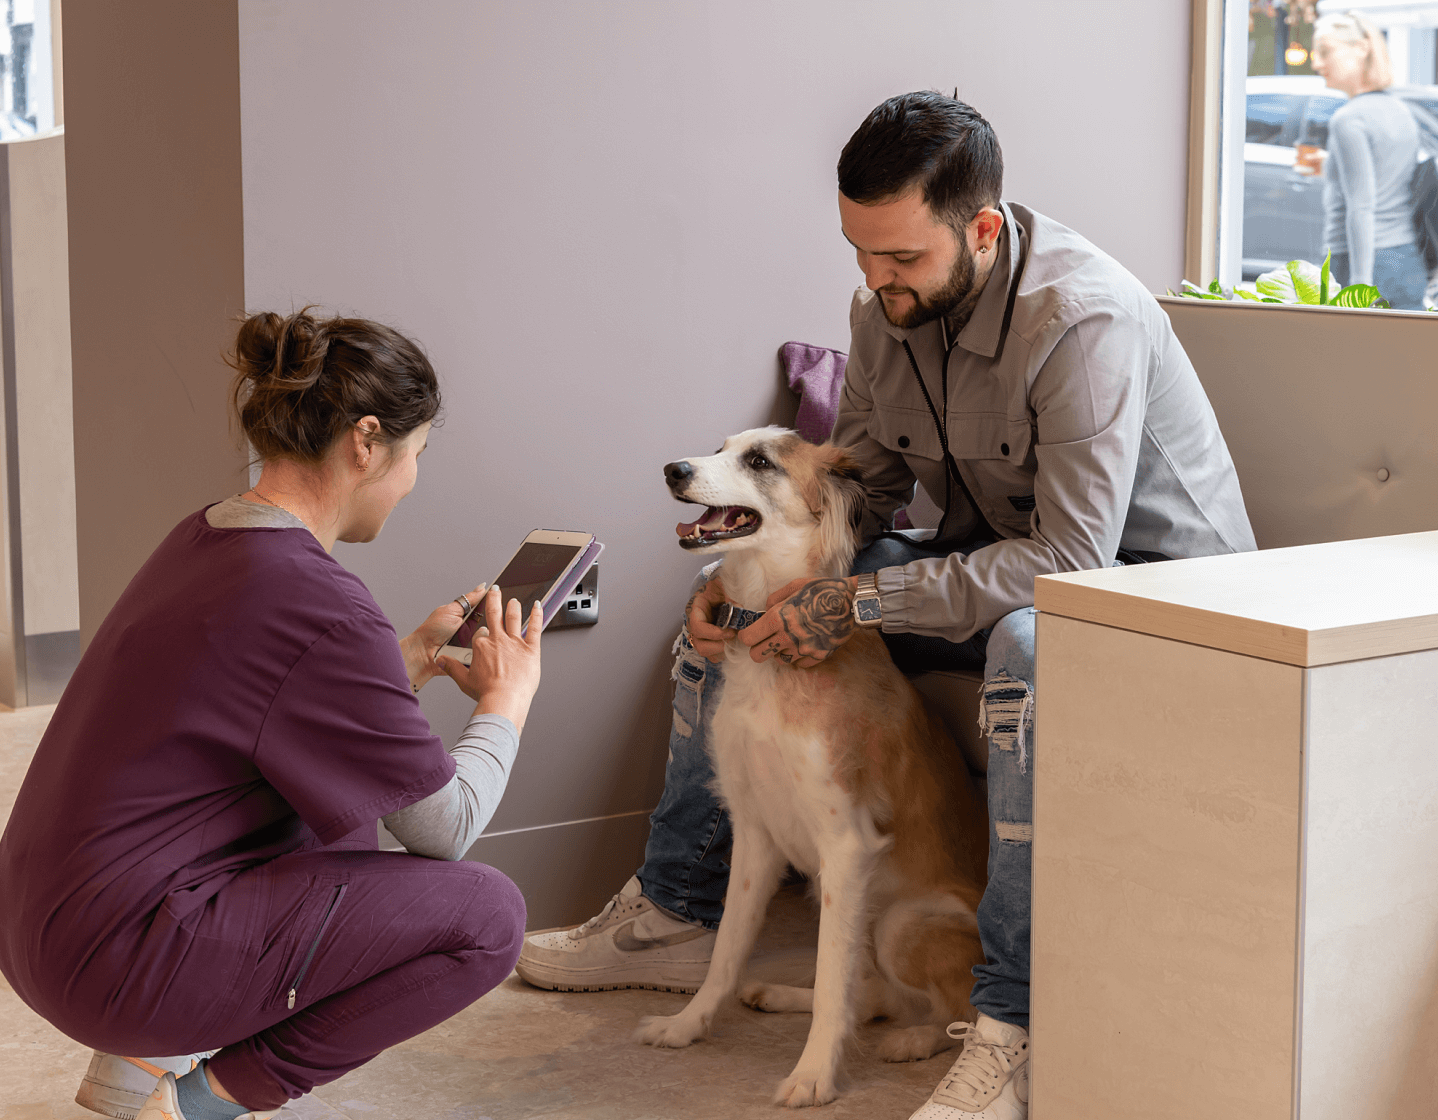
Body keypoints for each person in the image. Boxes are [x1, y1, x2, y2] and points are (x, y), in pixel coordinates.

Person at [515, 92, 1256, 1120]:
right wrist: (747, 582)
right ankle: (679, 908)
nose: (874, 284)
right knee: (725, 612)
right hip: (997, 557)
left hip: (1160, 593)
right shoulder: (886, 314)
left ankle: (1007, 1022)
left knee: (1027, 647)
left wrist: (859, 602)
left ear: (983, 228)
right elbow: (854, 496)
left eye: (900, 258)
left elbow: (1074, 558)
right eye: (861, 254)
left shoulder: (1081, 321)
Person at [0, 310, 543, 1120]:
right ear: (365, 441)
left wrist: (405, 661)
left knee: (342, 804)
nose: (413, 480)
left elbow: (256, 708)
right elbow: (446, 827)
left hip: (43, 926)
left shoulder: (211, 535)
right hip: (112, 962)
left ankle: (130, 1073)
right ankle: (201, 1104)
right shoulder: (319, 602)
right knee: (490, 918)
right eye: (415, 455)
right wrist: (508, 699)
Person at [1312, 10, 1429, 310]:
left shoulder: (1348, 119)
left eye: (1326, 52)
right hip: (1406, 259)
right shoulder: (1401, 110)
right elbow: (1393, 177)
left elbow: (1361, 207)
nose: (1317, 63)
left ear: (1361, 49)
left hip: (1360, 260)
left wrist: (1360, 288)